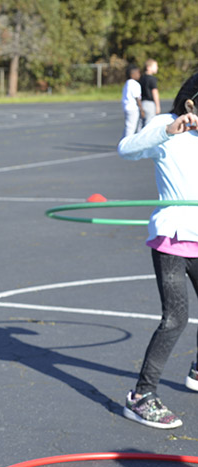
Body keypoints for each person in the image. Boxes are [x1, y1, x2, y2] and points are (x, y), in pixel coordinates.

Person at [117, 72, 198, 429]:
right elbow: (126, 149)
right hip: (173, 236)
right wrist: (167, 131)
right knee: (176, 318)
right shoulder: (168, 126)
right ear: (192, 104)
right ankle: (141, 396)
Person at [121, 64, 142, 139]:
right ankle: (126, 144)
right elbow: (137, 98)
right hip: (132, 108)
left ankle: (122, 141)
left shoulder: (127, 83)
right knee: (131, 128)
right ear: (132, 74)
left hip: (126, 107)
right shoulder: (134, 84)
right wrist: (141, 109)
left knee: (128, 126)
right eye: (138, 73)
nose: (139, 75)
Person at [140, 59, 161, 129]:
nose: (157, 68)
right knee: (149, 124)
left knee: (141, 123)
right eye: (155, 66)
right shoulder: (152, 79)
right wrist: (157, 105)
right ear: (148, 67)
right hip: (150, 104)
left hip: (142, 103)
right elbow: (155, 92)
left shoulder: (141, 78)